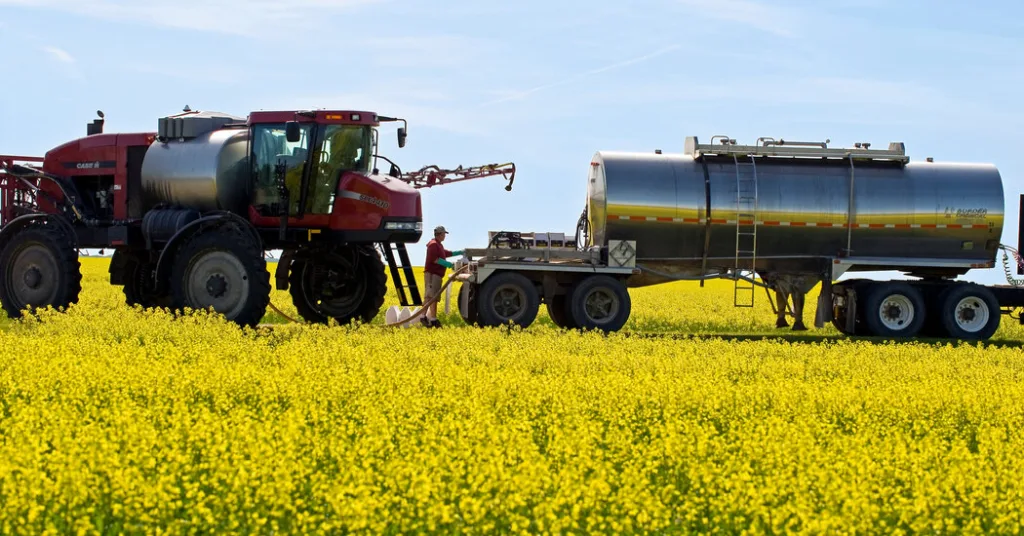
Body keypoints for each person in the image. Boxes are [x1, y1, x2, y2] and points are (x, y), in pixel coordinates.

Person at [422, 225, 463, 327]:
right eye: (444, 234)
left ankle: (424, 317)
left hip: (436, 275)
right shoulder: (433, 245)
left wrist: (460, 252)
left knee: (430, 297)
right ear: (439, 234)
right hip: (433, 274)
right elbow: (435, 259)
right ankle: (432, 319)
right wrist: (450, 265)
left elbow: (446, 254)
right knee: (432, 297)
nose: (445, 236)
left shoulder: (438, 245)